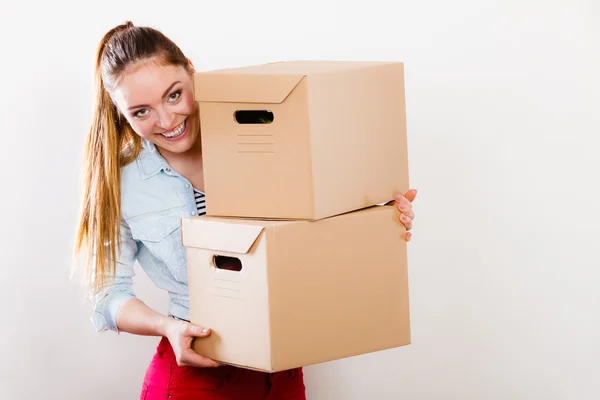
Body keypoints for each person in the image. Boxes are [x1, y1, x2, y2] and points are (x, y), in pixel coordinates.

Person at [74, 21, 418, 400]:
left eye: (173, 96)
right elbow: (107, 295)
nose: (167, 121)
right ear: (121, 112)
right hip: (195, 372)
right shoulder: (119, 182)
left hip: (283, 367)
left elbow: (320, 225)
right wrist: (168, 327)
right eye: (141, 112)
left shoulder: (268, 133)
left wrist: (377, 217)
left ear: (191, 69)